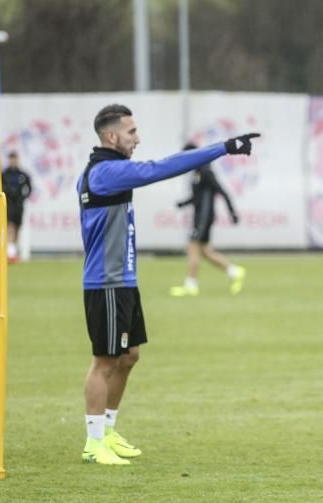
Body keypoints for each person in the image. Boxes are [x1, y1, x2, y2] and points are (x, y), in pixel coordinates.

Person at [78, 103, 259, 465]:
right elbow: (159, 169)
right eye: (131, 132)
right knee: (104, 361)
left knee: (129, 356)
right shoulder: (104, 172)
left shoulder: (109, 170)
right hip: (106, 282)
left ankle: (109, 432)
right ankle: (93, 442)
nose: (138, 138)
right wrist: (223, 147)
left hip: (123, 280)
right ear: (111, 136)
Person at [169, 142, 246, 297]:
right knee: (204, 251)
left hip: (204, 217)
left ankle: (191, 284)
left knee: (192, 246)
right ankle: (234, 272)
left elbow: (222, 192)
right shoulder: (197, 172)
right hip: (200, 216)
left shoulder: (206, 171)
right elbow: (198, 198)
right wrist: (183, 203)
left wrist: (232, 212)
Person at [1, 150, 33, 263]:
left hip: (19, 204)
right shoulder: (4, 174)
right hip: (8, 204)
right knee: (10, 226)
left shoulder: (23, 174)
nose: (13, 161)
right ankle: (9, 253)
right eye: (11, 159)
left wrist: (24, 197)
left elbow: (29, 188)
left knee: (18, 227)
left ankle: (13, 251)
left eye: (14, 158)